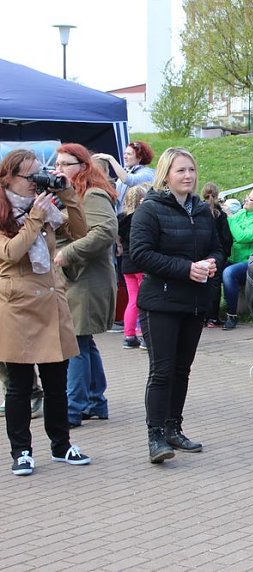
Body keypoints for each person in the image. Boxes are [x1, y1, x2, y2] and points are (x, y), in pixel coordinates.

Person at [0, 148, 91, 475]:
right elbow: (10, 252)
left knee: (57, 382)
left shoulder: (45, 208)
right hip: (18, 306)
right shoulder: (6, 211)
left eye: (40, 174)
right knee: (20, 385)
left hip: (51, 300)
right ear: (8, 177)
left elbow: (80, 232)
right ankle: (21, 451)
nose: (35, 183)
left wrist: (67, 195)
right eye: (29, 176)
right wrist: (35, 217)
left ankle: (61, 445)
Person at [130, 148, 223, 463]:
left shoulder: (202, 210)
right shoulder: (150, 209)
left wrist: (212, 263)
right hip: (161, 302)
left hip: (194, 302)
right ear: (166, 174)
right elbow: (140, 254)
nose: (188, 176)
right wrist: (186, 268)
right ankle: (155, 435)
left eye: (191, 170)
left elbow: (218, 248)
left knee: (182, 369)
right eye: (181, 170)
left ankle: (173, 428)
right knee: (163, 370)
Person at [53, 143, 119, 427]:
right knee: (84, 342)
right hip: (79, 279)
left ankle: (74, 408)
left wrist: (68, 253)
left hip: (86, 279)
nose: (58, 169)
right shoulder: (72, 194)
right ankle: (95, 401)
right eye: (56, 164)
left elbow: (105, 231)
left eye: (65, 164)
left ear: (83, 166)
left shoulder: (92, 194)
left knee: (76, 343)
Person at [222, 186, 253, 331]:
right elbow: (232, 230)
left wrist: (229, 217)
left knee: (229, 273)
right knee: (211, 266)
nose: (245, 200)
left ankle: (231, 315)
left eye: (251, 199)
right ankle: (207, 314)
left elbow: (242, 236)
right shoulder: (242, 213)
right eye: (247, 197)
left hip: (251, 263)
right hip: (233, 258)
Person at [117, 184, 150, 348]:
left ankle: (129, 335)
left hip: (127, 264)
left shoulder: (121, 218)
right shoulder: (141, 218)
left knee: (132, 300)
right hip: (141, 264)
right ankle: (145, 334)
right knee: (145, 300)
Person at [93, 141, 155, 215]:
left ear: (139, 157)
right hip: (122, 216)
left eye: (129, 154)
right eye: (124, 153)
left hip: (136, 216)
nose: (125, 156)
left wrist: (111, 159)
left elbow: (128, 180)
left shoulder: (147, 173)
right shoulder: (127, 171)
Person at [202, 182, 233, 328]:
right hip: (217, 253)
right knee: (214, 284)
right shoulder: (221, 214)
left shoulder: (198, 211)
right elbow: (226, 236)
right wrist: (225, 253)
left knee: (201, 282)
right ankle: (212, 317)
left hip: (201, 252)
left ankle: (201, 315)